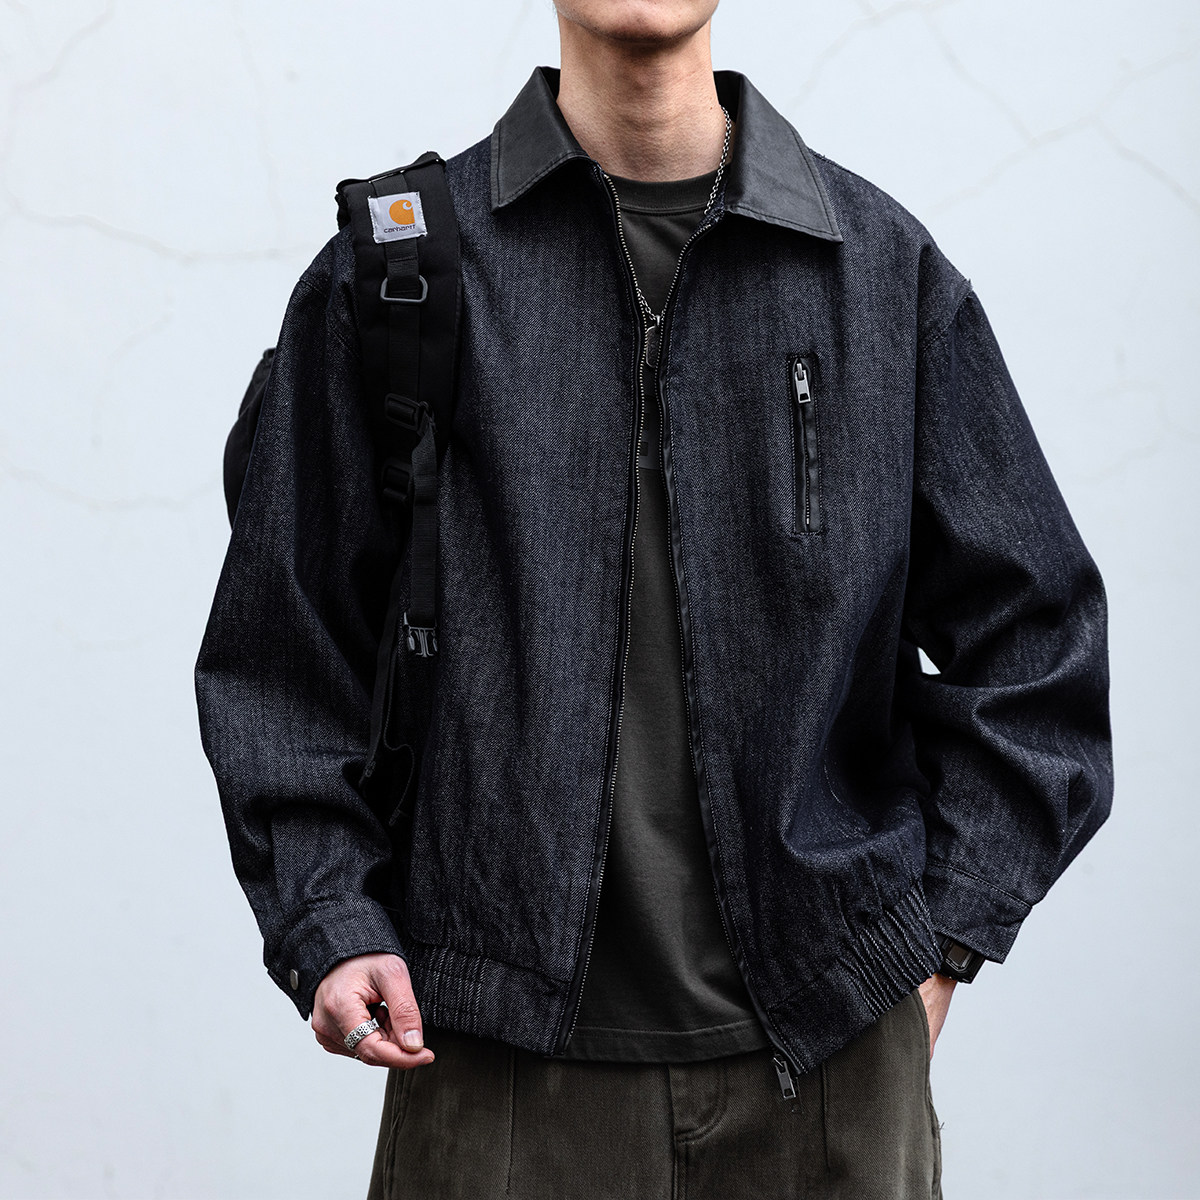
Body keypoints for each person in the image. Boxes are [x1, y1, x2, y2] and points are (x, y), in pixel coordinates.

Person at [195, 1, 1113, 1196]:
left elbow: (1040, 643)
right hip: (494, 1067)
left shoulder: (879, 272)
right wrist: (332, 919)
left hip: (829, 1070)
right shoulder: (398, 272)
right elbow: (280, 653)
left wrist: (931, 946)